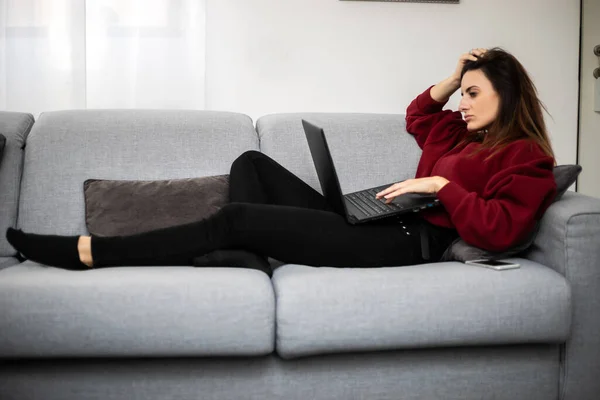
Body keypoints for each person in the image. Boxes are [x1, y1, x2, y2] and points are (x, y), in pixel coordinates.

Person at [6, 47, 557, 276]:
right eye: (464, 93)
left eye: (474, 94)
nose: (462, 105)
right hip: (382, 216)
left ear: (508, 97)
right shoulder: (460, 136)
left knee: (235, 218)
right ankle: (252, 251)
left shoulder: (525, 156)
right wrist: (456, 75)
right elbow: (417, 114)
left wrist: (442, 185)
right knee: (250, 161)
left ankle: (97, 252)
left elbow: (504, 228)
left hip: (409, 242)